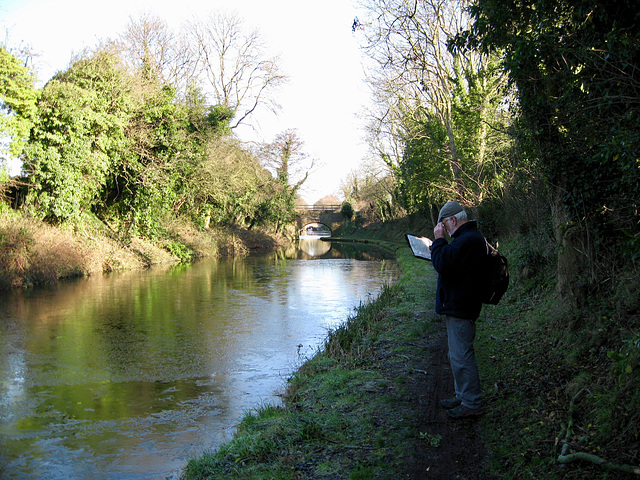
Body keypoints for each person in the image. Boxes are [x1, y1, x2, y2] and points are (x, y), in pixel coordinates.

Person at [430, 200, 486, 419]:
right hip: (460, 304)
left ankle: (472, 403)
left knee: (462, 356)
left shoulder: (468, 240)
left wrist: (439, 240)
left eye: (444, 224)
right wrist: (440, 246)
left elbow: (443, 264)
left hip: (461, 306)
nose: (443, 229)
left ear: (453, 220)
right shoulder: (468, 238)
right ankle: (462, 395)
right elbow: (448, 262)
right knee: (457, 355)